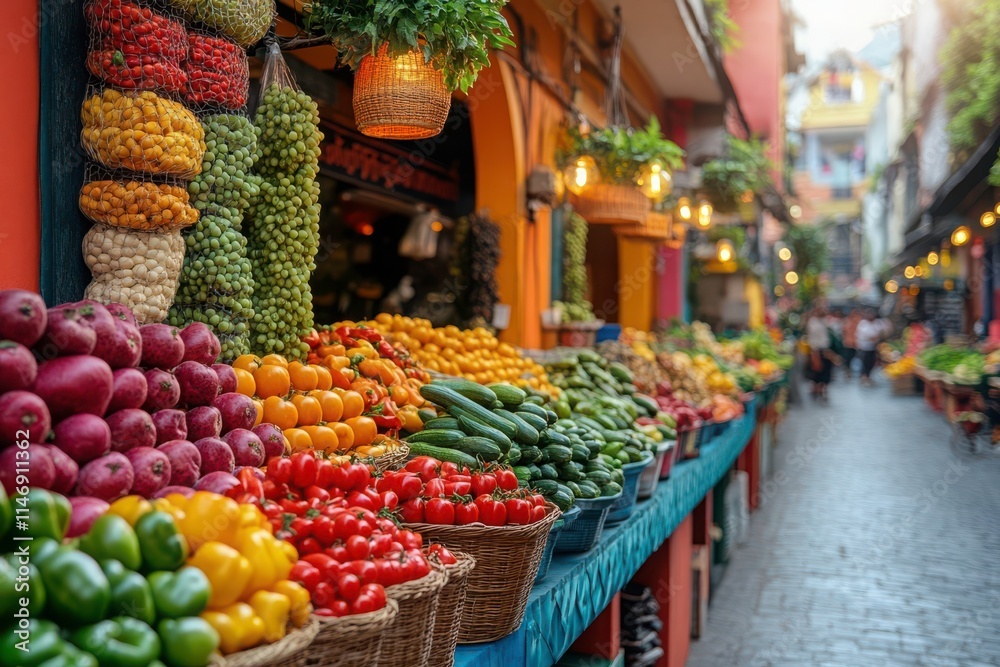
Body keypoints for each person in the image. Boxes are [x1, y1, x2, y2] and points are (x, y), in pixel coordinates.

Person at [806, 307, 833, 400]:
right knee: (817, 370)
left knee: (825, 370)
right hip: (817, 350)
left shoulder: (825, 321)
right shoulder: (813, 322)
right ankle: (816, 388)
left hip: (825, 349)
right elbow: (813, 339)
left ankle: (822, 389)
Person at [856, 310, 881, 386]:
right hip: (864, 347)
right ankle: (864, 376)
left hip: (872, 347)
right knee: (865, 362)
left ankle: (868, 376)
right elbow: (865, 335)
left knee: (871, 362)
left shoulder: (875, 323)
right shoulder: (863, 324)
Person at [842, 309, 861, 379]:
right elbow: (843, 331)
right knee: (847, 357)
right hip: (847, 343)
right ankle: (847, 370)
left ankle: (851, 370)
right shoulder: (846, 321)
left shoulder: (858, 320)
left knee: (853, 357)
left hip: (855, 343)